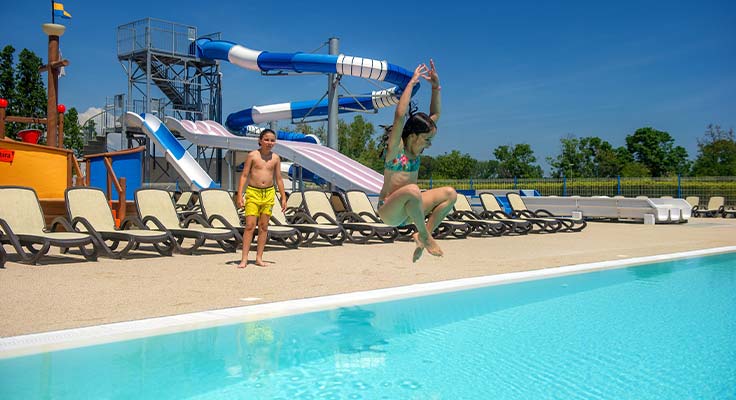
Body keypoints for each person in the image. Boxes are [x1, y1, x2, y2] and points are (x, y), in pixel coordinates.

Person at [376, 60, 457, 262]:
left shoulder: (417, 149)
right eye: (427, 139)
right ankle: (426, 236)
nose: (429, 144)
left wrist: (436, 87)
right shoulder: (396, 150)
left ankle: (421, 235)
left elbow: (435, 115)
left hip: (411, 209)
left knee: (450, 194)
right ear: (413, 135)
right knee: (413, 190)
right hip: (390, 211)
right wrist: (411, 83)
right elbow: (399, 115)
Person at [235, 129, 288, 268]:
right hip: (253, 192)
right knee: (250, 226)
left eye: (272, 140)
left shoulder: (276, 158)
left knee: (264, 227)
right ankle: (244, 258)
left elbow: (279, 178)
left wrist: (283, 197)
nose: (269, 143)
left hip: (269, 193)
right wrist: (239, 195)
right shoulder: (253, 155)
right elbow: (244, 176)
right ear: (260, 140)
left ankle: (259, 257)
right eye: (266, 139)